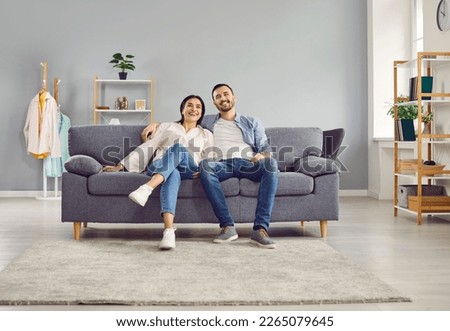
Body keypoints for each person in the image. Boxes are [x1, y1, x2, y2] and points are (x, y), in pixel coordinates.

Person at [141, 84, 278, 249]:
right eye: (218, 97)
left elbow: (265, 146)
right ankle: (227, 226)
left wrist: (263, 155)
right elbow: (186, 119)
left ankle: (260, 230)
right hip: (221, 165)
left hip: (248, 162)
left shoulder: (252, 121)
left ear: (234, 97)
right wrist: (156, 124)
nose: (223, 98)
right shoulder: (208, 121)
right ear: (214, 103)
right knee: (205, 165)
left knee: (271, 164)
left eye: (226, 94)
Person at [103, 95, 214, 250]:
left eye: (198, 107)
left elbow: (209, 158)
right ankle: (169, 232)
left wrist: (204, 170)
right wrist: (121, 166)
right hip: (160, 165)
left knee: (178, 148)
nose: (194, 109)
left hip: (189, 168)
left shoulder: (206, 134)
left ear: (202, 113)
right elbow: (150, 145)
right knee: (172, 173)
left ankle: (146, 188)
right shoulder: (167, 127)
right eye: (190, 105)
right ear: (182, 109)